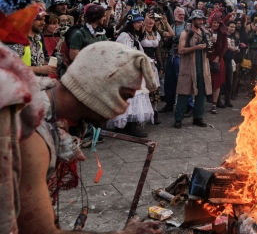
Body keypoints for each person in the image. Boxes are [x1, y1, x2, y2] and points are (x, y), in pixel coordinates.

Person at [14, 41, 162, 234]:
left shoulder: (44, 112)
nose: (123, 109)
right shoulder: (32, 136)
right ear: (99, 85)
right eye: (125, 97)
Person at [107, 11, 155, 137]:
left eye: (141, 22)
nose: (140, 24)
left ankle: (129, 124)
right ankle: (129, 126)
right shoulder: (124, 36)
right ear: (131, 23)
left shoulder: (132, 36)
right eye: (138, 22)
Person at [174, 9, 212, 128]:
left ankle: (198, 118)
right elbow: (180, 50)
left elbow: (209, 49)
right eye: (198, 19)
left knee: (201, 92)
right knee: (184, 92)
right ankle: (178, 119)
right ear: (193, 19)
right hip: (188, 67)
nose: (201, 21)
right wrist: (195, 48)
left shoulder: (205, 32)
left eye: (202, 19)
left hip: (202, 66)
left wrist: (209, 46)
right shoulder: (186, 32)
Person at [142, 12, 174, 125]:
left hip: (152, 63)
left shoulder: (156, 32)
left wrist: (166, 22)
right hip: (141, 63)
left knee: (154, 89)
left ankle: (154, 113)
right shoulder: (140, 32)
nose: (151, 21)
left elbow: (171, 34)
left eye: (154, 19)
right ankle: (143, 114)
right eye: (149, 18)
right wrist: (144, 21)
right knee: (143, 90)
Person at [6, 6, 57, 77]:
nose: (43, 23)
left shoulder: (38, 40)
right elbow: (11, 67)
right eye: (39, 19)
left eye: (44, 20)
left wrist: (46, 65)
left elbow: (37, 63)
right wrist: (39, 69)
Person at [159, 7, 186, 113]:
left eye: (183, 14)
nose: (182, 16)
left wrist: (180, 45)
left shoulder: (187, 27)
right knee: (168, 82)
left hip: (181, 57)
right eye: (180, 14)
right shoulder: (172, 26)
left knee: (183, 82)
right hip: (171, 56)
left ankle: (186, 106)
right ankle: (169, 104)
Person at [208, 12, 229, 113]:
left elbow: (225, 46)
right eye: (214, 22)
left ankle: (214, 104)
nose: (215, 25)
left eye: (217, 23)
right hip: (206, 58)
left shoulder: (222, 33)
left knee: (217, 82)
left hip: (217, 59)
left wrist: (219, 57)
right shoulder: (206, 31)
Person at [222, 20, 239, 107]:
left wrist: (236, 50)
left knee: (229, 81)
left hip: (230, 60)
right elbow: (222, 46)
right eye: (231, 26)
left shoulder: (234, 37)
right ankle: (217, 101)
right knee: (221, 81)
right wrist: (229, 48)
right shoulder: (224, 35)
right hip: (222, 59)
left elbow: (234, 47)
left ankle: (227, 100)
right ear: (227, 27)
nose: (232, 28)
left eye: (234, 27)